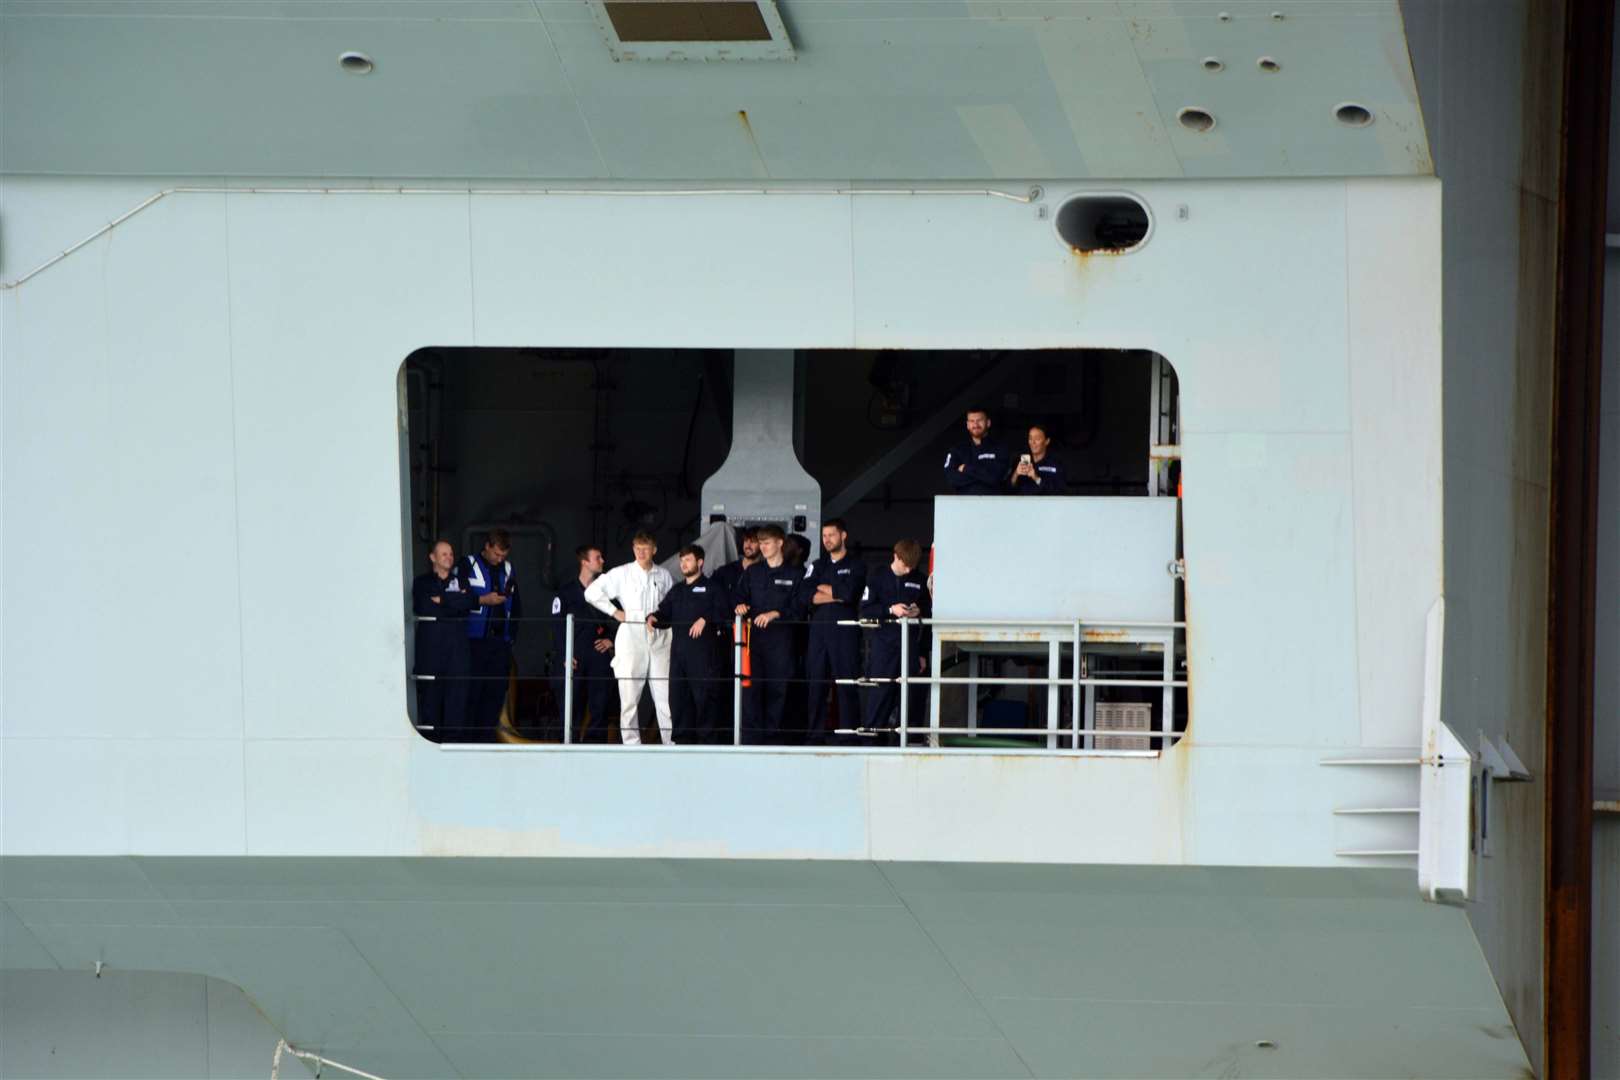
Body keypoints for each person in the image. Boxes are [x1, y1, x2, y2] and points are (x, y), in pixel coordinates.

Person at [585, 532, 677, 746]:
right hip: (632, 635)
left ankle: (671, 744)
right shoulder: (622, 573)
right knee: (629, 697)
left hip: (659, 636)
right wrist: (615, 612)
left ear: (654, 549)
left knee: (665, 696)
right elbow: (592, 592)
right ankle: (631, 746)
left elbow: (672, 604)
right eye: (637, 548)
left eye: (645, 548)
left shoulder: (663, 575)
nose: (641, 553)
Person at [647, 544, 728, 744]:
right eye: (681, 560)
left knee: (705, 701)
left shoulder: (713, 588)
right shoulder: (677, 590)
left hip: (705, 658)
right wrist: (652, 617)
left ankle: (707, 743)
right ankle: (682, 743)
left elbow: (726, 613)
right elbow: (664, 614)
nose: (683, 564)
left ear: (700, 562)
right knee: (679, 699)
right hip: (679, 657)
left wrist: (705, 619)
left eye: (688, 560)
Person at [734, 524, 805, 744]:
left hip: (782, 642)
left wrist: (776, 613)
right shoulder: (753, 572)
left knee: (779, 690)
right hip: (754, 643)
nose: (762, 547)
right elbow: (738, 597)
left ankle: (776, 740)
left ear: (779, 543)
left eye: (766, 543)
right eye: (760, 543)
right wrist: (739, 606)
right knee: (752, 691)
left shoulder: (796, 575)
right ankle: (751, 740)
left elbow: (800, 610)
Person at [860, 539, 932, 740]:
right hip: (884, 647)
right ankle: (872, 744)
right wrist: (891, 610)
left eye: (912, 566)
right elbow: (865, 610)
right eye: (905, 565)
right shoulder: (877, 577)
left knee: (911, 700)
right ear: (896, 556)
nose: (908, 570)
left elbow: (929, 615)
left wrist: (918, 611)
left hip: (911, 648)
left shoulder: (919, 579)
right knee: (880, 696)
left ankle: (909, 743)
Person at [803, 519, 867, 745]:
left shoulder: (857, 564)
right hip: (818, 632)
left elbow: (850, 594)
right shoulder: (818, 565)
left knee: (847, 682)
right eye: (824, 536)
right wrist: (835, 594)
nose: (827, 539)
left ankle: (850, 733)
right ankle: (815, 734)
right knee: (815, 683)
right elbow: (805, 595)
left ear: (843, 536)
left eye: (831, 535)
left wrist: (822, 588)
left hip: (845, 632)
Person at [459, 529, 520, 742]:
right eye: (496, 554)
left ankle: (485, 739)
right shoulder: (468, 564)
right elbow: (459, 598)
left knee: (495, 692)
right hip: (474, 642)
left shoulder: (509, 569)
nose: (500, 559)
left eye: (504, 556)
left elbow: (517, 605)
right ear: (487, 546)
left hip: (500, 643)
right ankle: (468, 740)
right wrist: (483, 600)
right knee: (472, 691)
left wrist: (511, 636)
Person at [550, 545, 616, 743]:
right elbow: (557, 627)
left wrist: (611, 640)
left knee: (601, 704)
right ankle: (570, 746)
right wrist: (565, 655)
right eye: (598, 557)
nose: (602, 560)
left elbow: (621, 617)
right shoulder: (566, 593)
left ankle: (595, 746)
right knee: (572, 704)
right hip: (574, 656)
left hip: (599, 653)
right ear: (585, 562)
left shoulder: (607, 592)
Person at [411, 540, 475, 741]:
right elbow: (424, 607)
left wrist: (443, 600)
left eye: (451, 554)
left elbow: (469, 604)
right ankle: (430, 744)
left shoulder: (462, 581)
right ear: (432, 557)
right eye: (444, 554)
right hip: (431, 652)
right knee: (430, 701)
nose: (449, 557)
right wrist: (454, 602)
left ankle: (454, 746)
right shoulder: (422, 582)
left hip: (457, 652)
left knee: (456, 700)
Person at [943, 407, 1011, 495]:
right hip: (964, 506)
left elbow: (995, 478)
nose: (975, 424)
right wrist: (985, 474)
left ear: (988, 423)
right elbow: (952, 479)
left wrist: (965, 468)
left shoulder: (1000, 448)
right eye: (972, 421)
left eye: (979, 420)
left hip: (993, 505)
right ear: (967, 425)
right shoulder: (957, 450)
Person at [1010, 423, 1068, 495]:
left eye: (1037, 439)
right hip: (1023, 505)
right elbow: (1007, 490)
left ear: (1047, 441)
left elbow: (1060, 491)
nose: (1033, 442)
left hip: (1046, 505)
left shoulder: (1056, 463)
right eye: (1030, 438)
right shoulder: (1021, 461)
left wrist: (1036, 478)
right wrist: (1016, 474)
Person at [710, 526, 760, 605]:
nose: (748, 545)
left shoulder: (764, 573)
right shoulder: (725, 571)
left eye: (753, 542)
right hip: (725, 617)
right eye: (746, 541)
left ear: (762, 545)